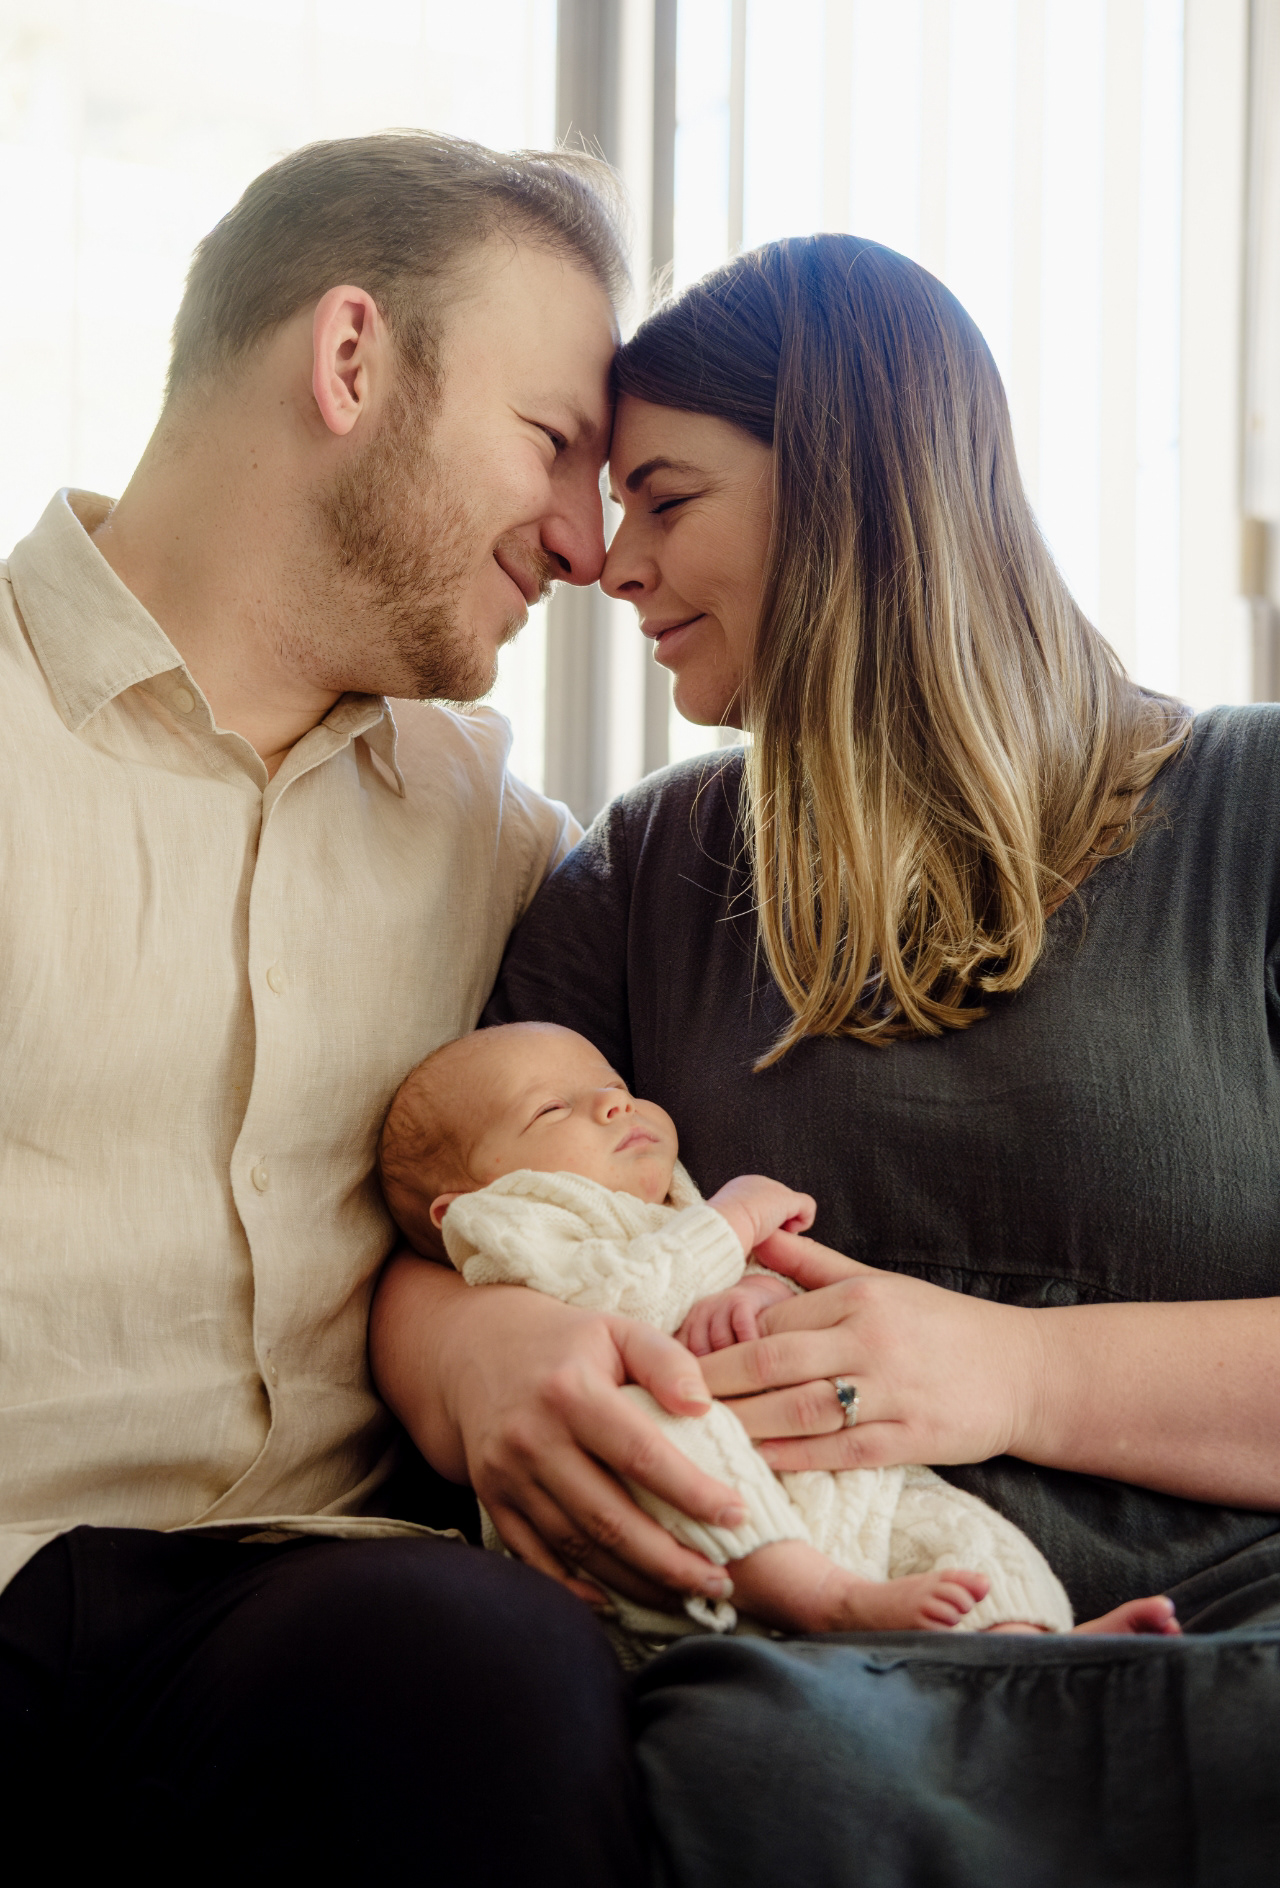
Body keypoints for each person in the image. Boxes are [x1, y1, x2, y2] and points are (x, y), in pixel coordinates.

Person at [372, 235, 1280, 1884]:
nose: (609, 562)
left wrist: (1020, 1374)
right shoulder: (640, 879)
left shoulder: (1255, 816)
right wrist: (479, 1365)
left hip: (1237, 1644)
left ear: (859, 482)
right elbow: (443, 1235)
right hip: (800, 1676)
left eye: (666, 497)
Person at [0, 129, 661, 1880]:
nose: (586, 544)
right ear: (352, 359)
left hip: (311, 1612)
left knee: (490, 1671)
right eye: (552, 443)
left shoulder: (500, 839)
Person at [378, 1019, 1194, 1643]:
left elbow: (697, 1289)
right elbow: (618, 1301)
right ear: (462, 1205)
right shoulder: (511, 1225)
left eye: (614, 1084)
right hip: (659, 1509)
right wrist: (731, 1223)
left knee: (954, 1530)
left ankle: (1029, 1643)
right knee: (660, 1420)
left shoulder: (668, 1201)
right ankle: (821, 1598)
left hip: (817, 1480)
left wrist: (759, 1294)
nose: (613, 1102)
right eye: (552, 1108)